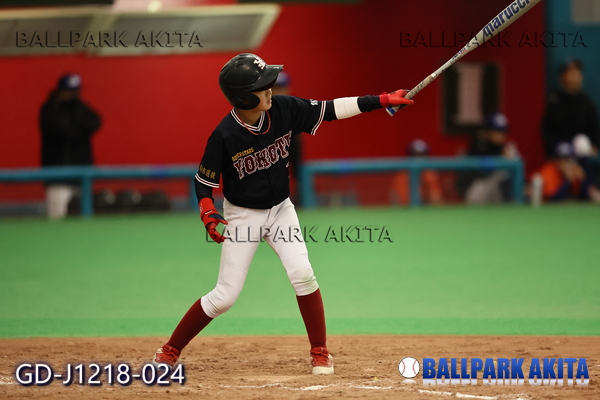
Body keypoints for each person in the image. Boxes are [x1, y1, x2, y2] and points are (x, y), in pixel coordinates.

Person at [151, 53, 414, 375]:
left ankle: (320, 351)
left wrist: (382, 100)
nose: (270, 90)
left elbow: (331, 109)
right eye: (262, 86)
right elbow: (203, 181)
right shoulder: (225, 135)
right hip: (243, 217)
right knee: (225, 296)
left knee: (303, 274)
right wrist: (208, 212)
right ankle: (170, 348)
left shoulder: (284, 109)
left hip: (280, 211)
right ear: (243, 97)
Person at [40, 73, 102, 219]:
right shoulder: (49, 109)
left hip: (82, 176)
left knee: (83, 219)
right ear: (60, 90)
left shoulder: (80, 107)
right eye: (70, 91)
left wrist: (76, 108)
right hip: (57, 176)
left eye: (77, 91)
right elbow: (62, 131)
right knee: (58, 219)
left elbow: (95, 123)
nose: (74, 94)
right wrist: (77, 128)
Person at [541, 58, 600, 159]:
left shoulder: (587, 103)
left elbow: (595, 131)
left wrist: (593, 146)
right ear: (562, 76)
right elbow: (547, 131)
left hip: (584, 157)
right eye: (571, 73)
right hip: (559, 156)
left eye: (577, 73)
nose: (575, 76)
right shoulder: (555, 100)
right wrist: (558, 147)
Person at [458, 112, 520, 204]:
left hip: (493, 192)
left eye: (504, 131)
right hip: (475, 189)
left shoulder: (505, 149)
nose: (502, 135)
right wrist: (501, 156)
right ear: (487, 132)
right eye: (497, 131)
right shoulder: (478, 147)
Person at [271, 71, 304, 206]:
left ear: (287, 89)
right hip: (270, 143)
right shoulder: (262, 108)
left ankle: (301, 199)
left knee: (297, 171)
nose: (277, 91)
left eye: (280, 88)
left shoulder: (294, 106)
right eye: (274, 88)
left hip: (292, 140)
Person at [535, 141, 600, 202]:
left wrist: (583, 180)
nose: (569, 163)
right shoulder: (549, 172)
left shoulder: (574, 170)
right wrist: (568, 181)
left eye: (571, 159)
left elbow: (583, 196)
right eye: (565, 159)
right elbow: (552, 199)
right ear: (556, 160)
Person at [391, 139, 444, 205]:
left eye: (422, 155)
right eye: (415, 155)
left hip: (426, 209)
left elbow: (437, 202)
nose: (419, 159)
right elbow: (398, 203)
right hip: (406, 209)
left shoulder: (430, 175)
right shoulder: (402, 176)